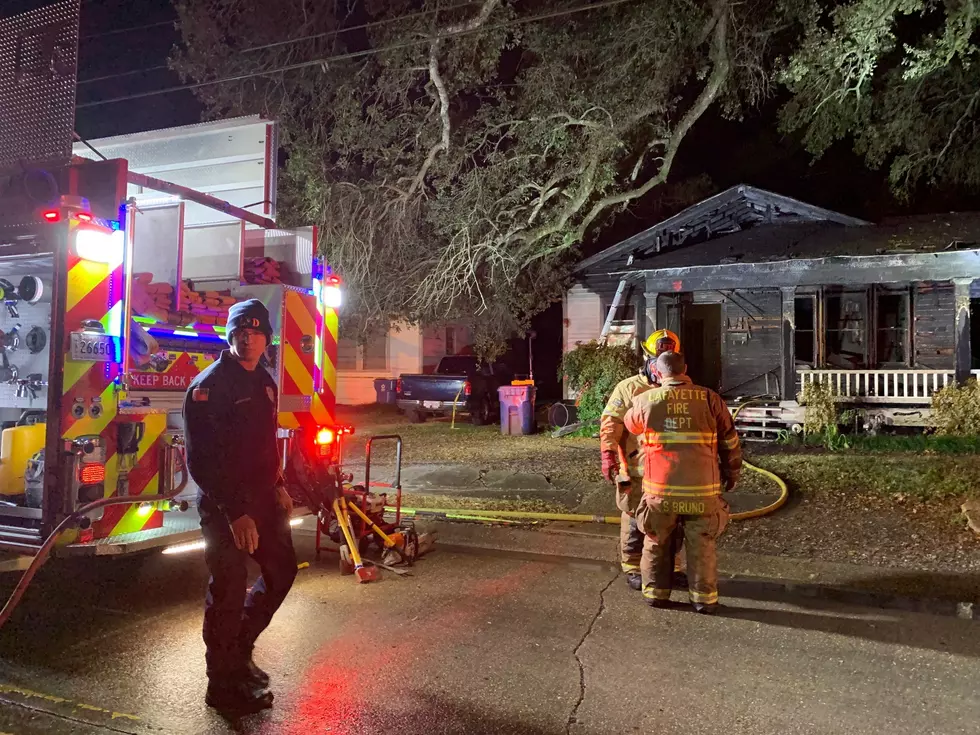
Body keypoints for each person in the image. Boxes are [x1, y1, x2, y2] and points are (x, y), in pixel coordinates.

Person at [183, 298, 297, 714]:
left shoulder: (262, 380)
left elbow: (264, 444)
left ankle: (239, 652)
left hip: (263, 500)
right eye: (240, 334)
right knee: (228, 591)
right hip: (225, 507)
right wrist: (235, 512)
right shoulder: (209, 387)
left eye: (256, 333)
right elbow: (202, 461)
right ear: (230, 337)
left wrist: (280, 483)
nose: (248, 340)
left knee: (282, 571)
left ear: (267, 339)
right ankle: (222, 686)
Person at [623, 351, 741, 614]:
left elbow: (630, 425)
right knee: (702, 543)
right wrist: (732, 474)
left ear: (658, 372)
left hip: (660, 491)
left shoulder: (644, 400)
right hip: (703, 492)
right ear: (685, 368)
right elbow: (730, 442)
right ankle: (703, 600)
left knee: (655, 540)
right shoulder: (710, 398)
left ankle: (655, 594)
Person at [599, 329, 685, 591]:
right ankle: (633, 567)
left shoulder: (678, 386)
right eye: (656, 362)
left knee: (674, 521)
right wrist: (608, 456)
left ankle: (672, 567)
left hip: (670, 470)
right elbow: (610, 424)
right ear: (648, 359)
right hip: (637, 469)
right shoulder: (628, 388)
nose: (661, 369)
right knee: (635, 520)